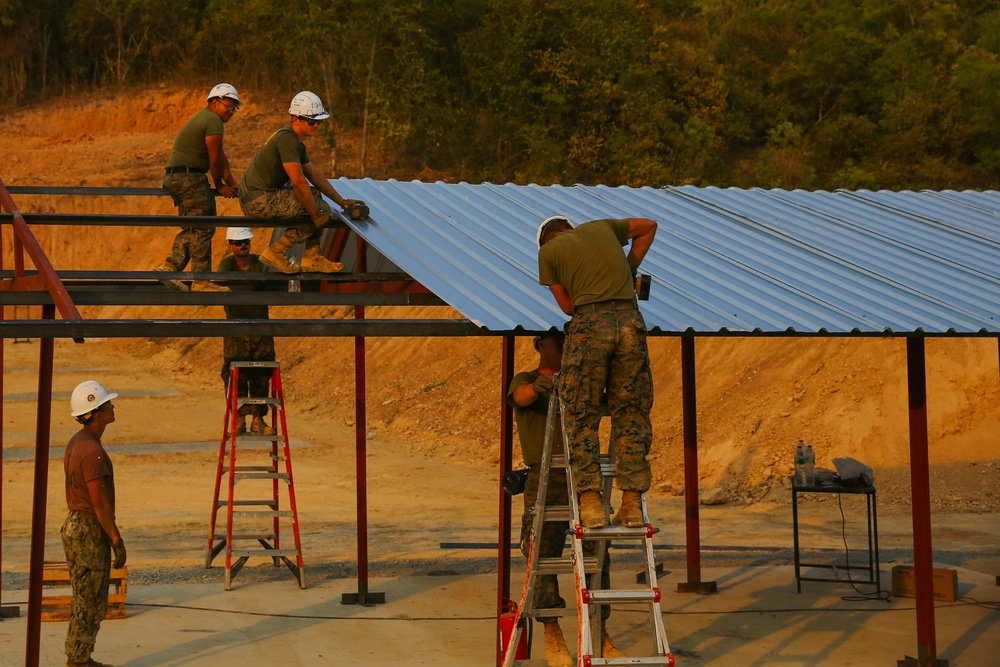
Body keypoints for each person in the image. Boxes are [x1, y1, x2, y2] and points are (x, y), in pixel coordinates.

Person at [507, 330, 624, 665]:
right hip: (546, 476)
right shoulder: (528, 378)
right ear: (542, 344)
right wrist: (542, 387)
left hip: (584, 473)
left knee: (596, 552)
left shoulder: (578, 381)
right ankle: (552, 632)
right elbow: (521, 396)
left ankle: (598, 631)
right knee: (544, 553)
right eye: (561, 342)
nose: (566, 348)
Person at [536, 215, 657, 529]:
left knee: (581, 411)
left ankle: (591, 504)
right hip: (631, 321)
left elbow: (566, 306)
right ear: (570, 228)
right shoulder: (603, 227)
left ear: (547, 239)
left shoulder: (548, 253)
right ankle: (631, 505)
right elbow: (648, 226)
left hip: (591, 325)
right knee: (631, 410)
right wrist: (628, 268)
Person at [238, 91, 367, 274]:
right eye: (312, 121)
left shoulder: (296, 143)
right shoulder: (287, 140)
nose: (317, 125)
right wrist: (316, 213)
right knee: (319, 208)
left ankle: (313, 257)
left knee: (314, 197)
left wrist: (341, 201)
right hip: (257, 200)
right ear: (295, 119)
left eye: (319, 121)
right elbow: (298, 181)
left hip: (260, 197)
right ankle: (276, 251)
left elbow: (315, 176)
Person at [62, 380, 127, 667]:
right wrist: (116, 539)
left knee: (84, 597)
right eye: (108, 405)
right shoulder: (92, 451)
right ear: (97, 412)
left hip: (76, 525)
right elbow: (99, 503)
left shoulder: (79, 442)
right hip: (89, 529)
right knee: (91, 600)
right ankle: (78, 660)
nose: (113, 407)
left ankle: (79, 657)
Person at [156, 83, 243, 293]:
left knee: (193, 226)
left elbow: (221, 156)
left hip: (176, 176)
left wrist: (231, 182)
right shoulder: (213, 121)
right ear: (215, 102)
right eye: (228, 106)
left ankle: (169, 268)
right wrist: (220, 186)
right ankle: (201, 280)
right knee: (205, 225)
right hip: (190, 177)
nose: (230, 111)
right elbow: (214, 160)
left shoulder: (205, 119)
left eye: (234, 108)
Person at [218, 227, 276, 435]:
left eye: (246, 242)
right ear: (230, 245)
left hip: (260, 325)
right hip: (236, 326)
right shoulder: (227, 264)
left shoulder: (260, 263)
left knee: (262, 372)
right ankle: (240, 419)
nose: (243, 245)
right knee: (236, 374)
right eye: (238, 242)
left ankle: (258, 419)